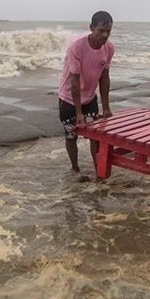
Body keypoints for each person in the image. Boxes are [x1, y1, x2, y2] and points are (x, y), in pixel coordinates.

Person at [58, 11, 114, 177]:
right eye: (101, 30)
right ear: (91, 28)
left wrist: (106, 108)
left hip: (90, 97)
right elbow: (74, 82)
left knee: (95, 136)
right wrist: (78, 113)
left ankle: (98, 169)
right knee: (71, 136)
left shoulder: (109, 48)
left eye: (108, 31)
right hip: (69, 99)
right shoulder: (77, 46)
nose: (104, 35)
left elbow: (104, 78)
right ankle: (75, 168)